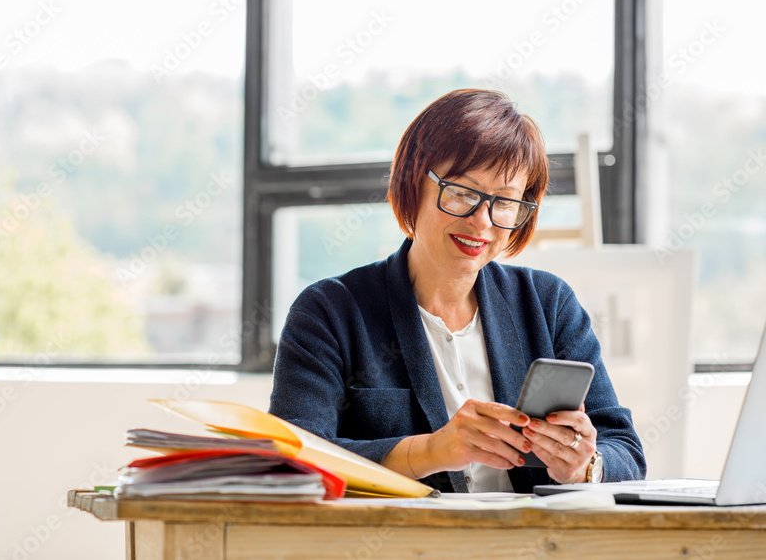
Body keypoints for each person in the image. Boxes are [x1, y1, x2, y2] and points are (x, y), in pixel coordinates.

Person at [268, 89, 645, 493]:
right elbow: (296, 460)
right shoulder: (329, 311)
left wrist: (585, 465)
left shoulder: (548, 303)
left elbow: (625, 450)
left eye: (505, 202)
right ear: (414, 182)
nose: (482, 222)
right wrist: (431, 451)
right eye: (463, 193)